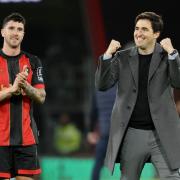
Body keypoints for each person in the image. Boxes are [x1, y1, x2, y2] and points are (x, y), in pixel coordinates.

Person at [95, 11, 180, 179]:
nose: (138, 33)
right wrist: (107, 55)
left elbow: (178, 82)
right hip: (133, 134)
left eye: (144, 29)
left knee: (172, 178)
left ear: (156, 34)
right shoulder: (122, 57)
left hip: (162, 134)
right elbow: (102, 85)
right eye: (136, 28)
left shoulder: (167, 56)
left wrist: (172, 53)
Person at [0, 13, 46, 180]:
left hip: (26, 140)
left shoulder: (33, 61)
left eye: (20, 29)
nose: (15, 32)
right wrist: (12, 90)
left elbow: (41, 97)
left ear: (24, 34)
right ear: (2, 32)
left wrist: (25, 85)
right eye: (11, 28)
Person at [88, 85, 116, 180]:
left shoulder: (99, 90)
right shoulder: (121, 88)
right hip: (120, 135)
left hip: (105, 134)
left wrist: (91, 131)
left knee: (98, 164)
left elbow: (93, 113)